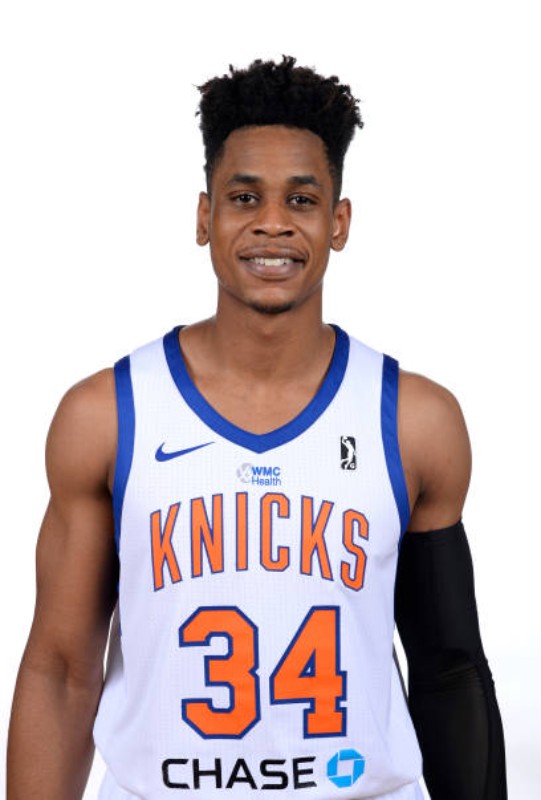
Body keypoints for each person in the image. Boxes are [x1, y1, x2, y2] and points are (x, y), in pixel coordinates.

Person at [7, 56, 506, 799]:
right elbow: (60, 670)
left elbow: (449, 670)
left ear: (338, 223)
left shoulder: (413, 421)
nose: (272, 222)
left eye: (301, 199)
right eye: (245, 198)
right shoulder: (106, 415)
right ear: (204, 216)